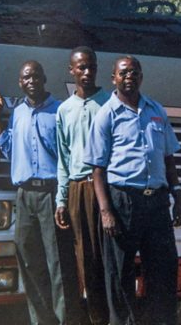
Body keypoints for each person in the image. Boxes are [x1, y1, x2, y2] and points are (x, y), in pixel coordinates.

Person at [84, 55, 181, 325]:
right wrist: (106, 211)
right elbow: (97, 169)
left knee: (163, 269)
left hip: (157, 204)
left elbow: (167, 157)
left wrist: (177, 194)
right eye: (124, 72)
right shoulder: (106, 114)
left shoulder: (156, 111)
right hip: (123, 202)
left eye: (135, 72)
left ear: (141, 76)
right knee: (120, 272)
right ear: (113, 78)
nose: (130, 76)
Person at [0, 61, 82, 325]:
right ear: (21, 82)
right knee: (29, 262)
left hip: (51, 195)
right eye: (25, 77)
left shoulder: (59, 111)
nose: (31, 81)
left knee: (58, 264)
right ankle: (41, 321)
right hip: (24, 196)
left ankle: (65, 320)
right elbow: (9, 149)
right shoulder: (18, 113)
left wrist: (62, 198)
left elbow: (68, 157)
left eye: (35, 76)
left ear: (44, 79)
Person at [55, 46, 110, 325]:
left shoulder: (110, 103)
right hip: (78, 189)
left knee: (107, 256)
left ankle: (109, 316)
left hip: (106, 190)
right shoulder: (64, 110)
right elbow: (63, 160)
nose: (87, 72)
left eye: (91, 67)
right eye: (81, 68)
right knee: (83, 257)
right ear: (71, 70)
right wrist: (61, 200)